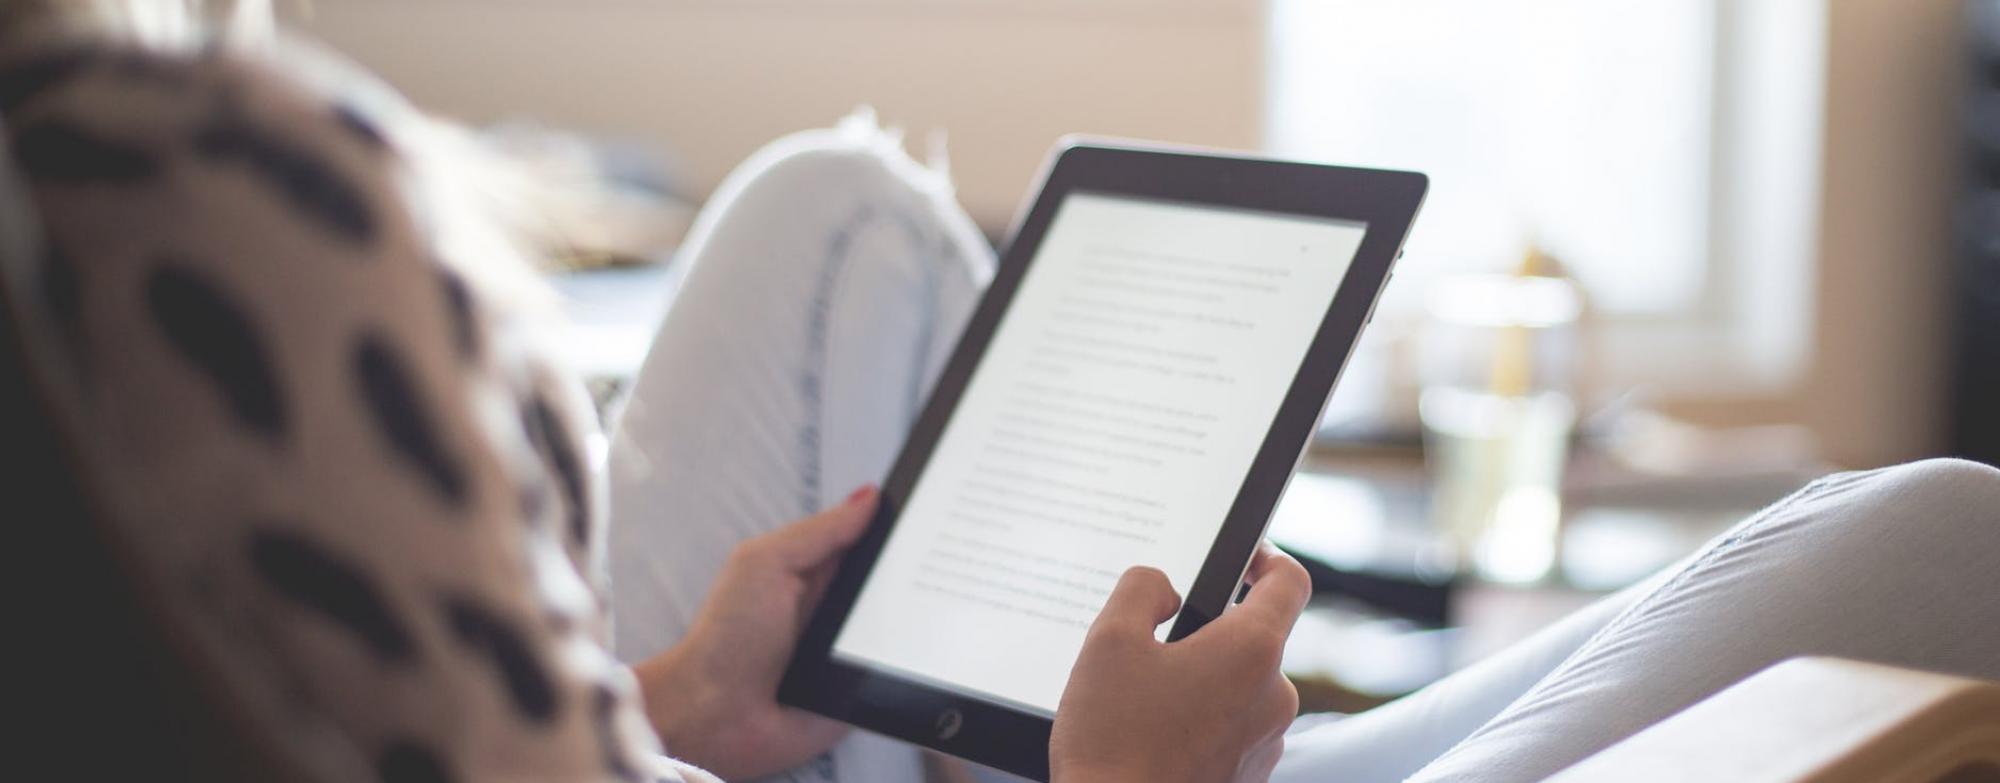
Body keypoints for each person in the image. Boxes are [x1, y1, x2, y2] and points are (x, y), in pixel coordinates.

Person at [3, 4, 1996, 783]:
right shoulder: (177, 208)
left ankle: (961, 723)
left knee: (840, 212)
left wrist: (685, 703)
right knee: (1949, 537)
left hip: (693, 751)